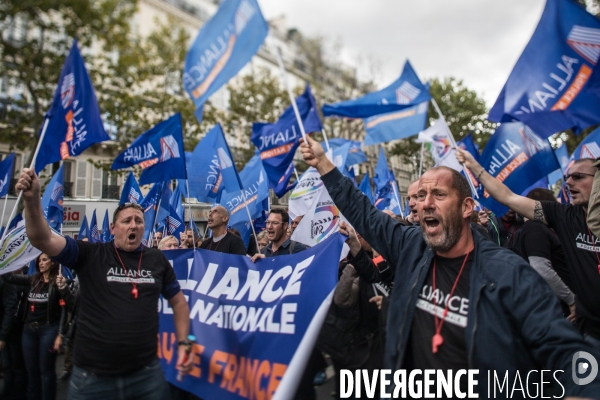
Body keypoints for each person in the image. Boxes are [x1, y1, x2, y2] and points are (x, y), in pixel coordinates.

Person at [300, 135, 600, 396]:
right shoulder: (411, 246)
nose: (425, 204)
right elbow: (363, 213)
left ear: (466, 207)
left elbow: (568, 354)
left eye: (439, 195)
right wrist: (323, 164)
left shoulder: (509, 273)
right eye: (421, 196)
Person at [15, 167, 193, 400]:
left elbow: (179, 302)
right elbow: (42, 238)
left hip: (146, 376)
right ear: (113, 228)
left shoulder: (156, 259)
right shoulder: (90, 254)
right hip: (92, 379)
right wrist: (32, 200)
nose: (133, 225)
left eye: (139, 221)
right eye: (126, 220)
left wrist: (184, 343)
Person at [457, 148, 600, 347]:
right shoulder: (563, 215)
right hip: (590, 333)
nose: (568, 183)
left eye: (578, 177)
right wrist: (475, 167)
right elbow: (508, 198)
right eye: (567, 177)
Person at [3, 254, 67, 400]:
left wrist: (60, 334)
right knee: (31, 372)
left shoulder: (57, 283)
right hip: (28, 331)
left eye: (44, 260)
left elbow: (64, 309)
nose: (41, 263)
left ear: (52, 263)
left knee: (46, 371)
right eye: (39, 260)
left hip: (48, 330)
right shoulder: (32, 280)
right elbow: (8, 277)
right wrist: (6, 260)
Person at [512, 188, 575, 318]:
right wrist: (571, 300)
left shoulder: (530, 228)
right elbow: (541, 268)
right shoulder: (535, 228)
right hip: (557, 308)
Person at [0, 269, 28, 400]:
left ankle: (17, 394)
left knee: (16, 365)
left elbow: (10, 308)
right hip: (5, 329)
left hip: (12, 330)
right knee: (8, 366)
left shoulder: (7, 280)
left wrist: (3, 336)